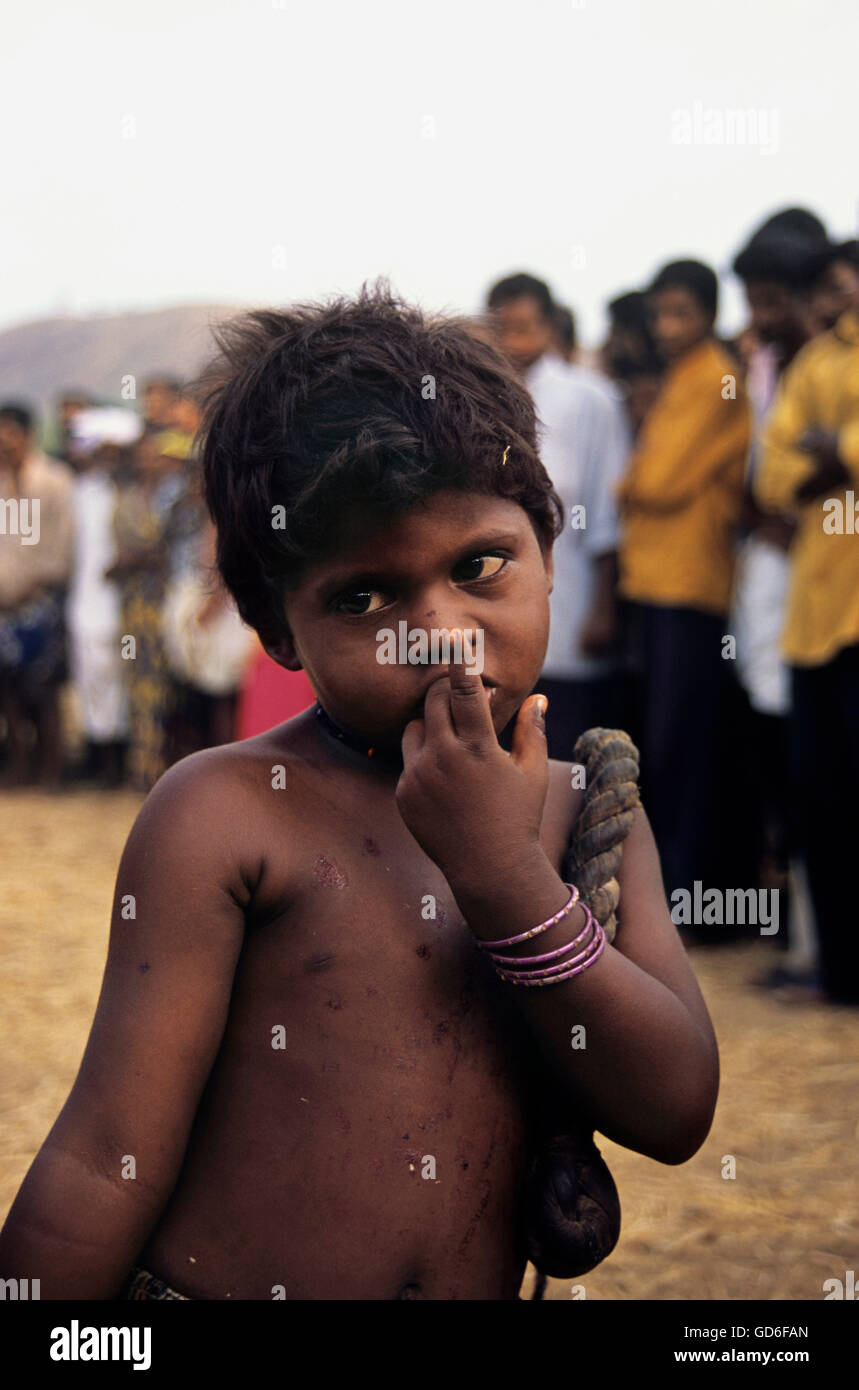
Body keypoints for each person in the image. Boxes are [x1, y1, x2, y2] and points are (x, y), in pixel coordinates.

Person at [0, 282, 718, 1301]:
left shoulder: (585, 805)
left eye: (480, 564)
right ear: (279, 631)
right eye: (363, 597)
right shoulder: (229, 815)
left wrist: (502, 877)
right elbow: (102, 1157)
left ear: (549, 554)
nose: (439, 632)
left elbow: (676, 1108)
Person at [617, 260, 752, 912]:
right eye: (659, 314)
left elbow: (657, 482)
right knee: (664, 742)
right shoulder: (684, 376)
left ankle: (688, 899)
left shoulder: (718, 381)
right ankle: (672, 896)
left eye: (680, 314)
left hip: (691, 583)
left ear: (708, 313)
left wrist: (629, 483)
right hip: (657, 579)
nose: (666, 328)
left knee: (683, 746)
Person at [730, 212, 832, 987]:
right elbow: (767, 478)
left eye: (774, 302)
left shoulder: (833, 368)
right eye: (754, 303)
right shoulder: (771, 366)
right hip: (781, 592)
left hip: (828, 588)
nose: (762, 319)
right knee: (788, 763)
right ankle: (804, 941)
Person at [754, 271, 859, 1006]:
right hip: (813, 620)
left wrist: (837, 449)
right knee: (822, 799)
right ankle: (841, 972)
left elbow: (822, 457)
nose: (831, 297)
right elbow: (773, 472)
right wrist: (825, 461)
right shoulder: (818, 362)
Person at [486, 272, 631, 755]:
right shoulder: (477, 399)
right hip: (492, 608)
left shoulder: (589, 399)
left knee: (561, 747)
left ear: (549, 328)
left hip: (570, 601)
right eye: (501, 328)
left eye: (523, 327)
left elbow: (606, 512)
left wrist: (603, 607)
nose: (511, 341)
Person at [0, 403, 74, 787]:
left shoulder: (55, 480)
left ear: (27, 435)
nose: (2, 440)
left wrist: (34, 586)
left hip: (42, 601)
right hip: (2, 606)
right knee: (7, 688)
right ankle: (19, 766)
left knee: (44, 686)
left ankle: (52, 767)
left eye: (9, 432)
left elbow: (63, 546)